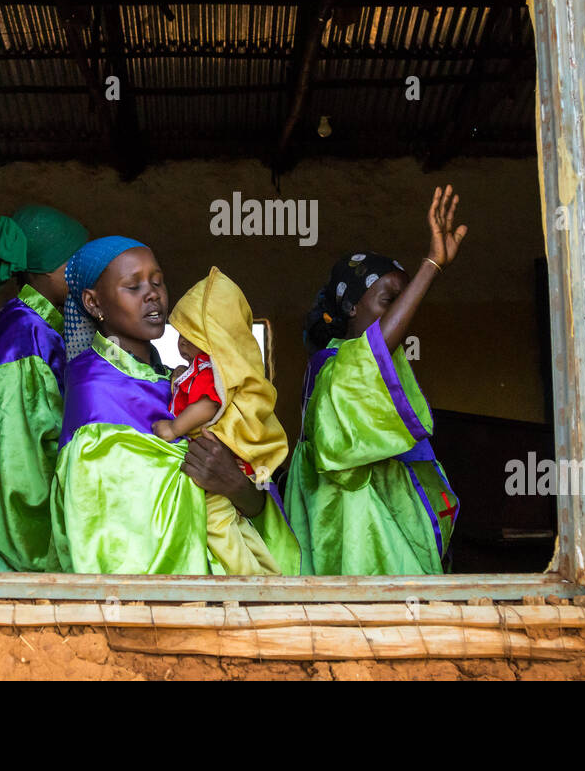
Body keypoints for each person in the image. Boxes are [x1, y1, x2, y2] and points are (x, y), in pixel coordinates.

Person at [52, 237, 298, 575]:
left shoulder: (180, 382)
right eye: (133, 286)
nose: (152, 294)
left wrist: (236, 484)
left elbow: (254, 494)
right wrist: (211, 478)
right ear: (94, 303)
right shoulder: (94, 388)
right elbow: (115, 525)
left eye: (157, 281)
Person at [285, 185, 467, 576]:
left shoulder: (367, 366)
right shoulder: (336, 368)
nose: (402, 313)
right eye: (390, 300)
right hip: (354, 533)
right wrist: (431, 266)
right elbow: (371, 351)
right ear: (352, 305)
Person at [155, 267, 295, 575]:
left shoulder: (213, 373)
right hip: (219, 476)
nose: (180, 344)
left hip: (216, 473)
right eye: (179, 335)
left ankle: (252, 581)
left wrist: (174, 428)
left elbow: (207, 403)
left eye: (189, 336)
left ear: (213, 339)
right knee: (234, 527)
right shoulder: (201, 370)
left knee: (219, 525)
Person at [0, 204, 89, 572]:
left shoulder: (45, 325)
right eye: (75, 264)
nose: (85, 274)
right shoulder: (26, 332)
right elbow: (17, 452)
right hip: (23, 522)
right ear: (46, 270)